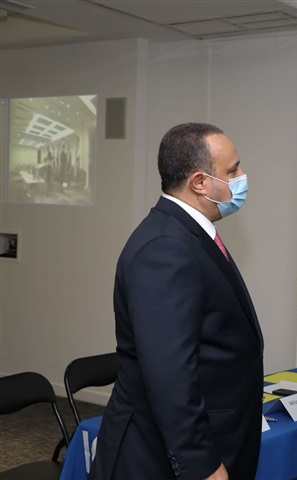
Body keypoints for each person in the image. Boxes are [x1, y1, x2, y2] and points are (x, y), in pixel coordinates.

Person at [90, 123, 264, 480]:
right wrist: (200, 462)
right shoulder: (165, 248)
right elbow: (169, 372)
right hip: (158, 456)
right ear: (200, 182)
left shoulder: (189, 233)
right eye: (232, 170)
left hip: (219, 431)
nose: (241, 177)